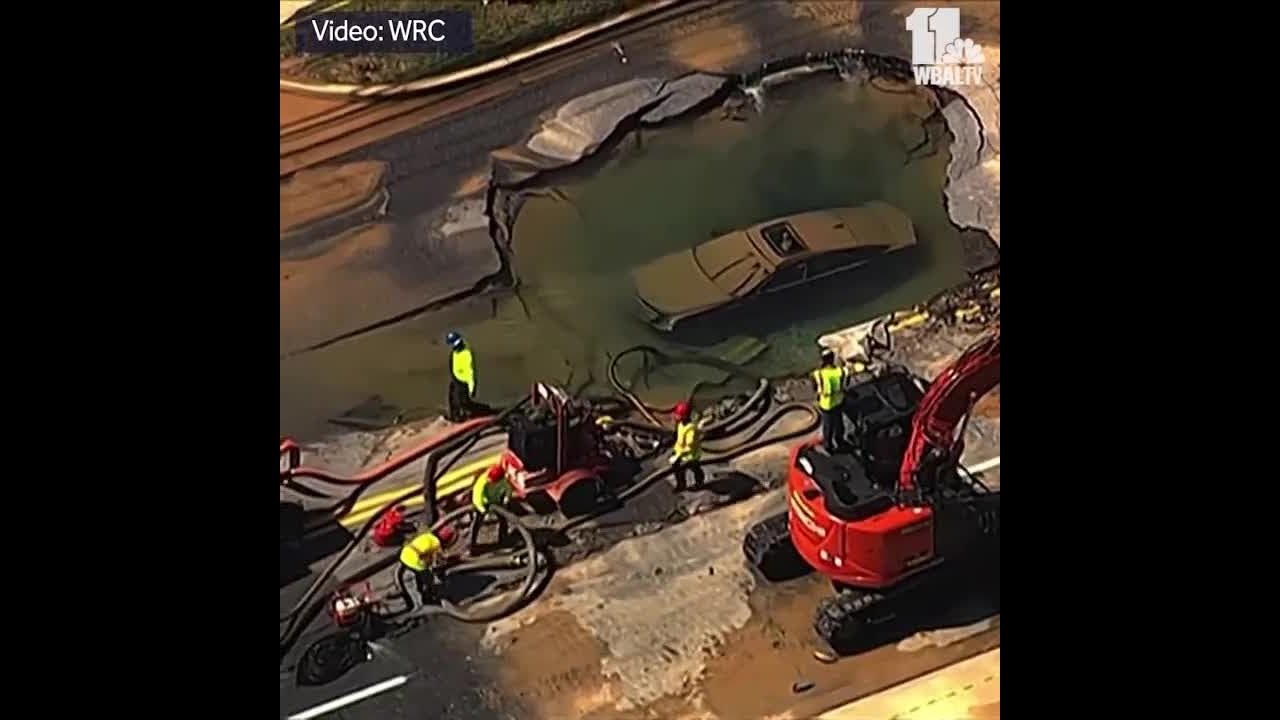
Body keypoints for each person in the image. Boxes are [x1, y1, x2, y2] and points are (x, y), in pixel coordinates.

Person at [398, 525, 457, 607]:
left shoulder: (428, 535)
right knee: (428, 578)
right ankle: (431, 596)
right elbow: (441, 559)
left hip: (405, 554)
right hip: (413, 560)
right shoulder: (437, 543)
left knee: (419, 575)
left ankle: (421, 589)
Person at [470, 463, 513, 552]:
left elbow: (508, 489)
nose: (489, 480)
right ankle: (471, 544)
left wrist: (506, 499)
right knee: (476, 522)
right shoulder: (482, 481)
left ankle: (503, 540)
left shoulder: (503, 480)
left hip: (496, 501)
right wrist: (482, 509)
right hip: (483, 504)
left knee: (503, 520)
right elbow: (477, 497)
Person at [813, 348, 849, 453]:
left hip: (826, 405)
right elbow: (845, 384)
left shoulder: (818, 374)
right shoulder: (840, 372)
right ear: (832, 359)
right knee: (839, 424)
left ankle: (828, 447)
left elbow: (816, 388)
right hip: (839, 402)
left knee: (828, 427)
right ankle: (840, 441)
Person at [669, 401, 705, 491]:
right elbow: (678, 437)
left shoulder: (690, 429)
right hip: (680, 452)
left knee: (694, 468)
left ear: (684, 416)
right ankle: (681, 485)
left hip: (691, 455)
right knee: (677, 468)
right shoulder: (680, 424)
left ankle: (699, 483)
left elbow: (690, 447)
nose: (676, 417)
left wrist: (678, 455)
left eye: (678, 415)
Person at [445, 331, 476, 422]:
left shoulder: (466, 353)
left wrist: (471, 388)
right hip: (455, 379)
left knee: (462, 402)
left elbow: (470, 372)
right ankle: (454, 417)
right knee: (452, 399)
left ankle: (465, 417)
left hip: (463, 382)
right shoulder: (454, 352)